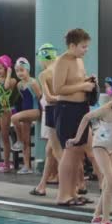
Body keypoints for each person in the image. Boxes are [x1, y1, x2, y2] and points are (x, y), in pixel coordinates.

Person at [67, 77, 112, 224]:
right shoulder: (106, 108)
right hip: (100, 145)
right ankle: (106, 220)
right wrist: (77, 138)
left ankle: (96, 216)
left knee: (107, 183)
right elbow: (86, 118)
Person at [53, 28, 96, 206]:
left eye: (87, 47)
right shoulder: (63, 61)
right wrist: (83, 87)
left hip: (81, 109)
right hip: (67, 110)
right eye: (83, 47)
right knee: (69, 153)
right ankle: (63, 195)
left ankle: (73, 193)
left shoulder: (78, 60)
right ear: (72, 45)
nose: (86, 50)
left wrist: (88, 80)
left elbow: (78, 81)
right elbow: (58, 89)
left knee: (78, 154)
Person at [30, 44, 61, 196]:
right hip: (62, 113)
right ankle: (42, 185)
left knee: (61, 155)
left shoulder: (45, 74)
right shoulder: (62, 68)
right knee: (50, 152)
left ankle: (75, 186)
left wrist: (62, 98)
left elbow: (48, 98)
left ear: (43, 58)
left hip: (53, 114)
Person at [11, 57, 42, 174]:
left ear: (28, 70)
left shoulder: (33, 82)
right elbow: (24, 99)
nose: (19, 73)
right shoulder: (19, 85)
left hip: (35, 111)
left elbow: (40, 97)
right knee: (26, 141)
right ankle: (26, 166)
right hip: (26, 112)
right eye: (17, 71)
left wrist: (43, 113)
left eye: (22, 70)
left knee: (14, 118)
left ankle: (18, 140)